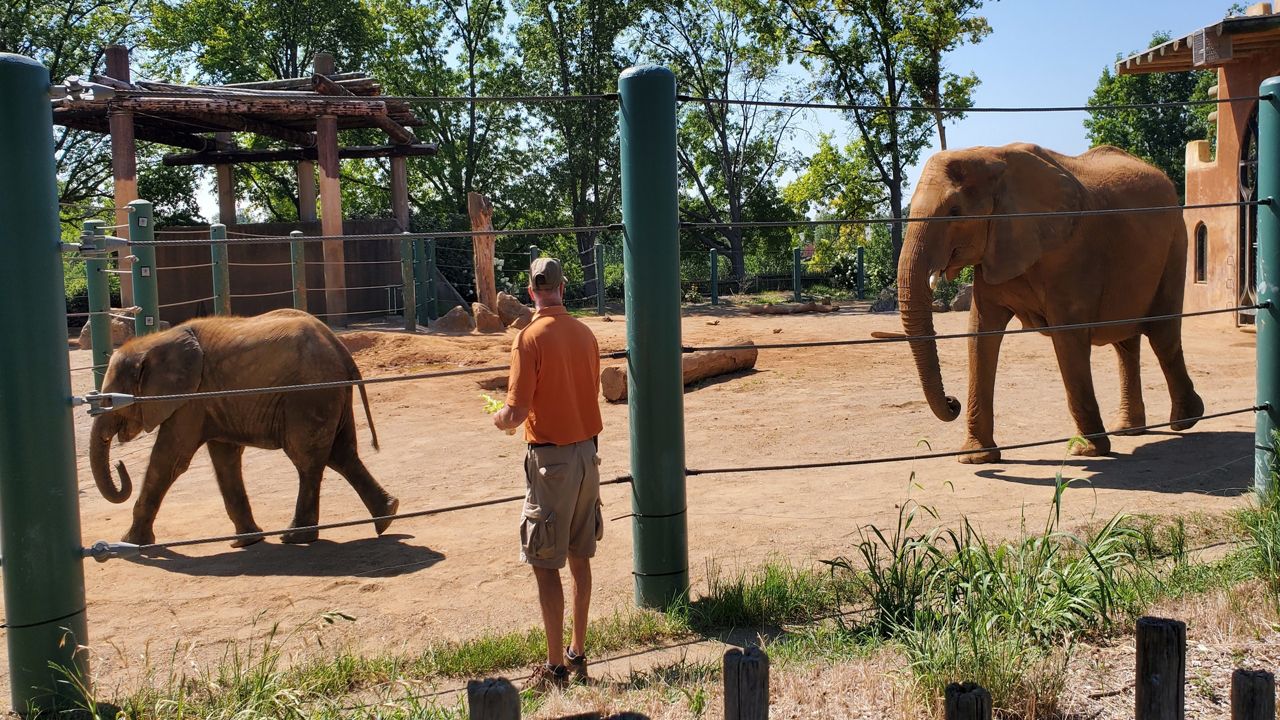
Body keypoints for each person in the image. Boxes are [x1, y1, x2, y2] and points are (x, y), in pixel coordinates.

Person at [493, 257, 604, 690]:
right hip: (587, 455)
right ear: (563, 287)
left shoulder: (528, 339)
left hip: (551, 463)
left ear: (530, 290)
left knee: (544, 562)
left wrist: (499, 419)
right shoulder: (585, 334)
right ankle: (578, 651)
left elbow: (517, 413)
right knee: (580, 555)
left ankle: (554, 668)